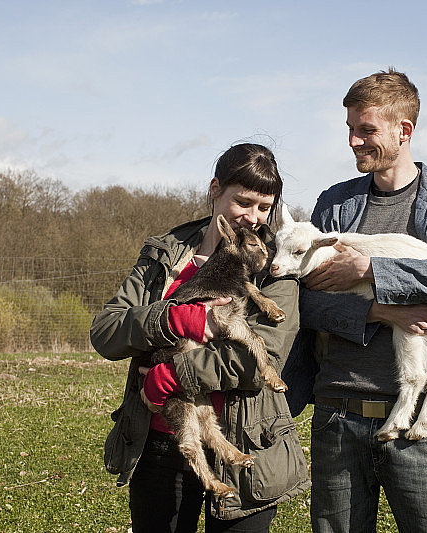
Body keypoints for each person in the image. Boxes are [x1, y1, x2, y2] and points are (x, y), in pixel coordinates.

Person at [283, 69, 427, 533]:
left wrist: (371, 272)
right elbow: (308, 303)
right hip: (337, 415)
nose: (353, 141)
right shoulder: (335, 206)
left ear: (404, 131)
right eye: (349, 129)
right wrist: (383, 310)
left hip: (422, 422)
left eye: (366, 130)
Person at [90, 142, 310, 533]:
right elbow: (107, 331)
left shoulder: (274, 266)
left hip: (246, 446)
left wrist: (173, 374)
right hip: (160, 443)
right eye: (243, 202)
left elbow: (263, 359)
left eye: (265, 207)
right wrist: (171, 319)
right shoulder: (165, 256)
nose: (254, 217)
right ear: (214, 189)